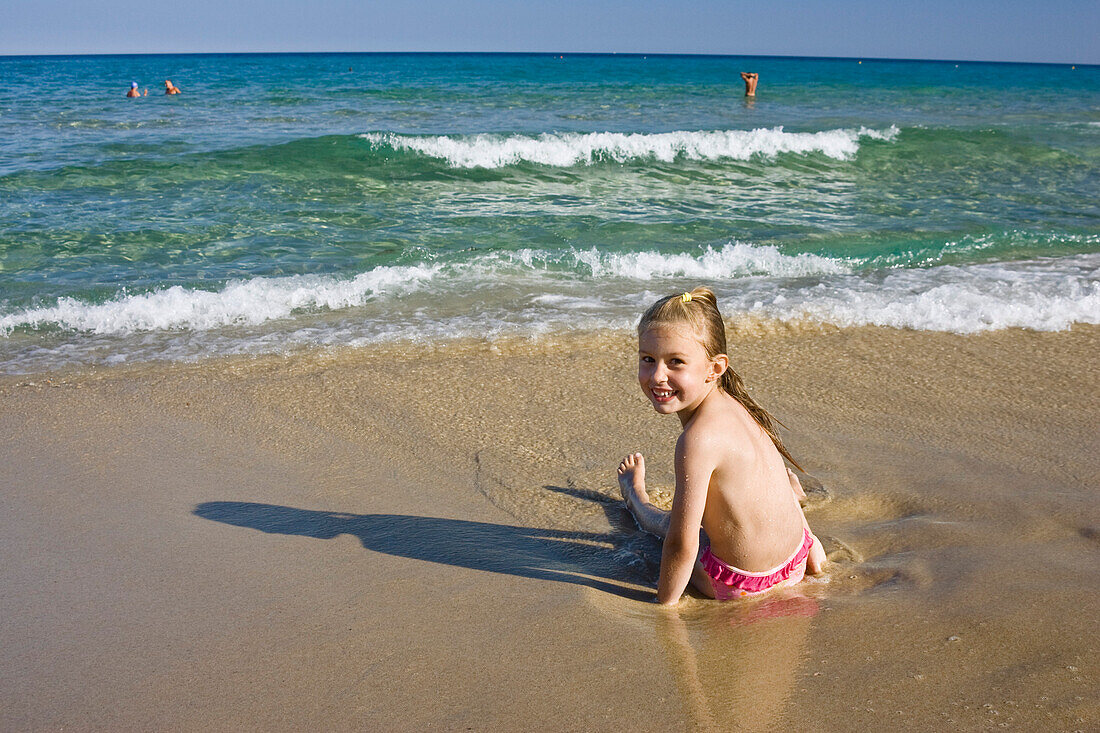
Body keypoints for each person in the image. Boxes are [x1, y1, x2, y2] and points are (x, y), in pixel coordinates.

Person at [617, 287, 826, 605]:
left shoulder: (697, 439)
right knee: (757, 483)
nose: (658, 375)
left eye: (675, 362)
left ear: (715, 368)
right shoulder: (741, 405)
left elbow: (680, 544)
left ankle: (636, 498)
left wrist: (665, 608)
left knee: (667, 522)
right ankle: (790, 493)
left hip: (739, 585)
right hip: (799, 559)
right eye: (648, 359)